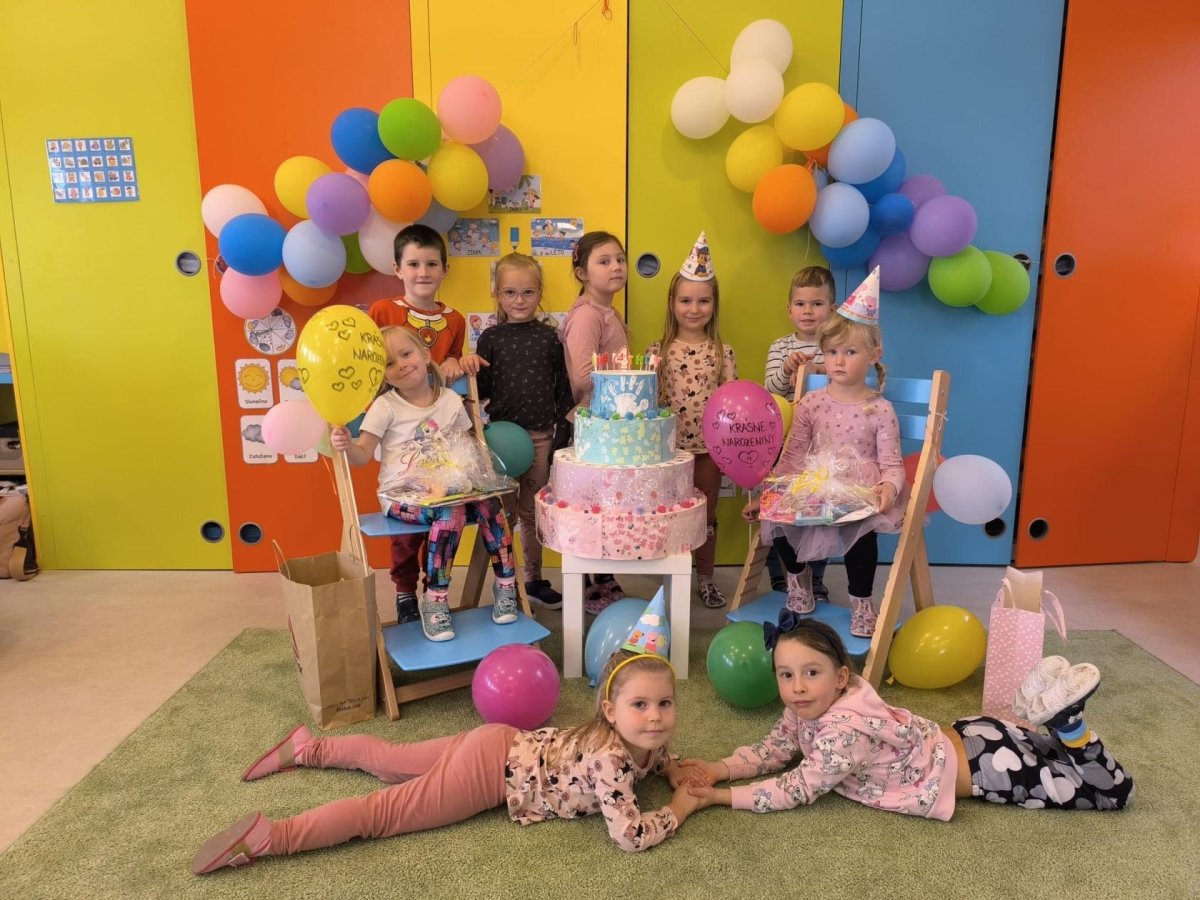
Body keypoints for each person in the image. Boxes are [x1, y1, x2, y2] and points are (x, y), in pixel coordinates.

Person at [191, 648, 704, 874]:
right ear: (610, 712)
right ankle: (274, 836)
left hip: (499, 740)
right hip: (490, 772)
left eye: (665, 704)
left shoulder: (642, 741)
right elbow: (629, 835)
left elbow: (654, 750)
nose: (655, 717)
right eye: (640, 705)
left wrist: (670, 765)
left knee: (392, 759)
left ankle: (308, 748)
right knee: (380, 814)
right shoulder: (613, 760)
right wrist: (681, 807)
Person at [681, 613, 1133, 819]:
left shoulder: (842, 733)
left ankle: (1068, 722)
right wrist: (720, 768)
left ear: (840, 677)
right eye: (786, 675)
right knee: (1064, 762)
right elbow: (776, 749)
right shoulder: (824, 700)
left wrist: (719, 797)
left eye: (810, 673)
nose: (796, 686)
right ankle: (1050, 715)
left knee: (1113, 793)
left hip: (990, 766)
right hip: (977, 735)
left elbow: (797, 787)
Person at [330, 326, 518, 643]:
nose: (401, 365)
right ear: (382, 374)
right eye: (390, 363)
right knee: (452, 514)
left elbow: (466, 445)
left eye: (406, 354)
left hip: (448, 490)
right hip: (401, 496)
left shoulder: (450, 400)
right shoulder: (385, 407)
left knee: (491, 505)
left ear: (426, 354)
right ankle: (435, 600)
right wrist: (347, 445)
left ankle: (506, 585)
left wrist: (472, 479)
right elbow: (362, 455)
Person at [743, 267, 899, 638]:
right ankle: (798, 584)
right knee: (780, 517)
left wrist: (890, 487)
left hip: (859, 489)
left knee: (862, 533)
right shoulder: (811, 403)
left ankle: (861, 601)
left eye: (850, 352)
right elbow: (793, 456)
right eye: (831, 352)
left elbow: (891, 463)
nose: (839, 361)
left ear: (874, 355)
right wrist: (770, 492)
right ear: (822, 354)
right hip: (814, 482)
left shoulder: (880, 409)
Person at [461, 253, 573, 610]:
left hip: (540, 438)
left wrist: (560, 439)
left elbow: (563, 391)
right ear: (497, 294)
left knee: (532, 512)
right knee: (503, 515)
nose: (519, 300)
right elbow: (482, 390)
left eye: (528, 292)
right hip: (502, 443)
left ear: (539, 293)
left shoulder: (551, 338)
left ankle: (534, 579)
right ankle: (506, 581)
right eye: (510, 292)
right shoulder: (491, 338)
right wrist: (469, 367)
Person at [368, 224, 468, 626]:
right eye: (413, 264)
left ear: (445, 269)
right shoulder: (383, 311)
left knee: (441, 516)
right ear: (397, 269)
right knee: (405, 529)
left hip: (438, 435)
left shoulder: (455, 319)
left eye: (431, 264)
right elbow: (371, 364)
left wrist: (454, 361)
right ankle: (405, 590)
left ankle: (434, 589)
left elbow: (452, 363)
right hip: (399, 431)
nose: (422, 272)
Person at [646, 232, 736, 609]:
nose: (694, 309)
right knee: (670, 514)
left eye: (703, 300)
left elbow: (732, 406)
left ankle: (706, 576)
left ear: (714, 304)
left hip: (709, 451)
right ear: (672, 304)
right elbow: (647, 405)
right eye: (685, 300)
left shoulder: (722, 352)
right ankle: (672, 575)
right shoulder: (657, 351)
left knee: (706, 515)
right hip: (668, 452)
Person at [559, 231, 631, 614]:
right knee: (592, 508)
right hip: (591, 426)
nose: (616, 267)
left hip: (609, 426)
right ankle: (593, 582)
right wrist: (629, 381)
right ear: (582, 272)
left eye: (620, 259)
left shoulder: (608, 312)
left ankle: (603, 576)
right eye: (604, 261)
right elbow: (582, 378)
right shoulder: (587, 315)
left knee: (607, 506)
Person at [763, 266, 837, 595]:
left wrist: (820, 370)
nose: (808, 311)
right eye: (801, 304)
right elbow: (771, 391)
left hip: (822, 444)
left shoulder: (837, 347)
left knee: (819, 509)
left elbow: (846, 388)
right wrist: (787, 369)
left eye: (817, 304)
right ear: (789, 309)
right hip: (785, 441)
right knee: (779, 504)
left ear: (832, 309)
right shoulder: (780, 346)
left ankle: (815, 576)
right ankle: (780, 573)